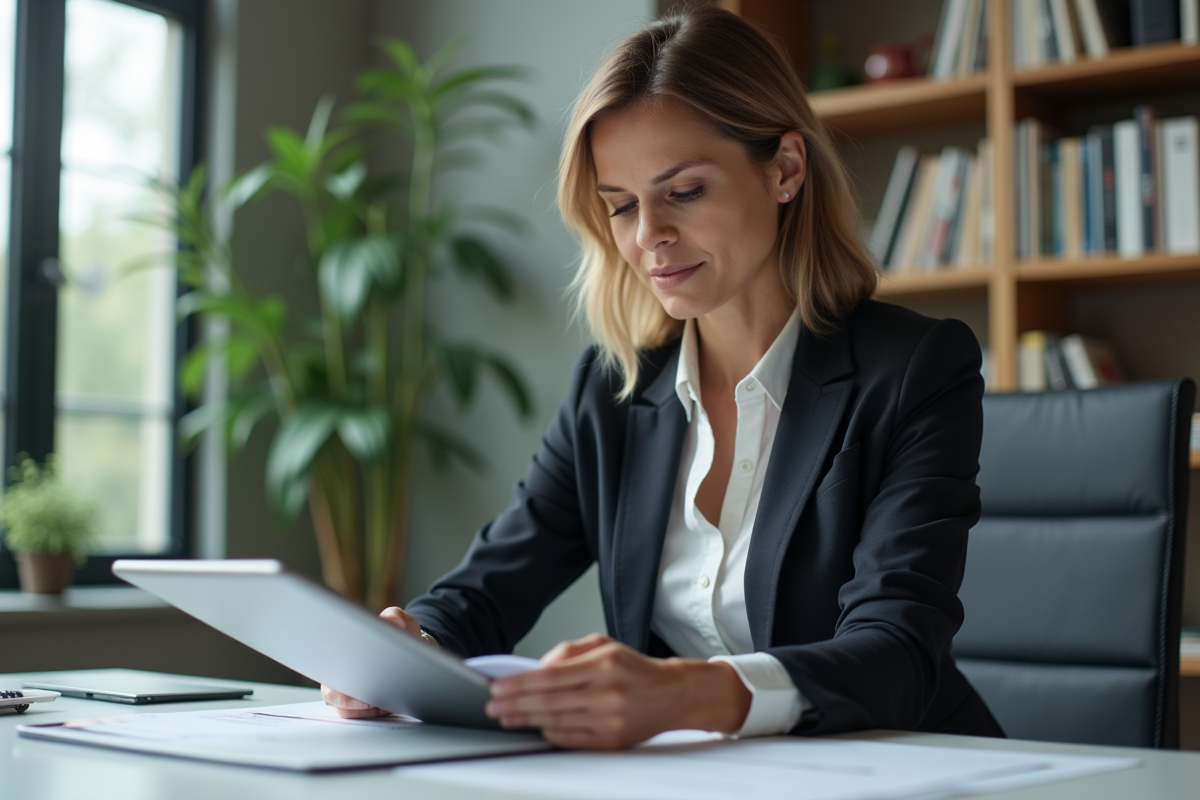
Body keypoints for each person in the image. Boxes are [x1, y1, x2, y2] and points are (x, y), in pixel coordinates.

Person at [322, 6, 1003, 749]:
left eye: (683, 192)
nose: (648, 238)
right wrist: (407, 642)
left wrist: (684, 693)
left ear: (784, 169)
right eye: (620, 207)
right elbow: (491, 586)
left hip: (899, 771)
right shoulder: (612, 389)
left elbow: (897, 654)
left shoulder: (914, 371)